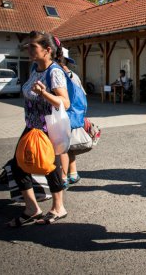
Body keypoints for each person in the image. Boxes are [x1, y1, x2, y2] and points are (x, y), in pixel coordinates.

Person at [8, 31, 68, 227]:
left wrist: (44, 93)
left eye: (33, 46)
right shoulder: (35, 68)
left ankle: (58, 207)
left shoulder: (55, 71)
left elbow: (64, 103)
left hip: (46, 128)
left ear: (47, 50)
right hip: (31, 126)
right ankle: (32, 208)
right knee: (18, 165)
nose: (28, 49)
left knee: (49, 167)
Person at [55, 48, 84, 189]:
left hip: (59, 115)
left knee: (62, 149)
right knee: (69, 146)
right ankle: (73, 174)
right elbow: (82, 94)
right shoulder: (73, 76)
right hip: (74, 115)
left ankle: (63, 178)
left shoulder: (55, 74)